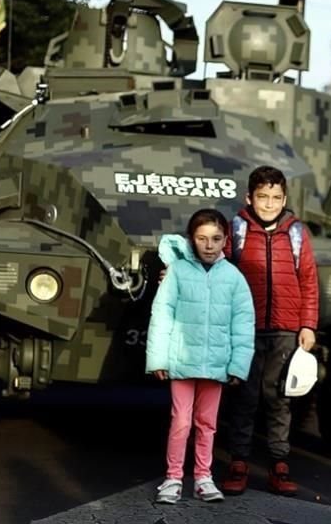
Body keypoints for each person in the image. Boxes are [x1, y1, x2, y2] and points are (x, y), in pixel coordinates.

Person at [221, 165, 319, 497]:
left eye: (276, 198)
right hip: (245, 329)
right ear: (250, 198)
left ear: (285, 198)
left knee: (279, 399)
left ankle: (279, 463)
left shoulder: (296, 233)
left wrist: (307, 325)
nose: (269, 204)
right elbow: (219, 273)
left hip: (286, 330)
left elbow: (308, 279)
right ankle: (238, 463)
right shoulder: (235, 230)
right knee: (243, 399)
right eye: (262, 197)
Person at [147, 208, 256, 504]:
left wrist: (238, 365)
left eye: (216, 238)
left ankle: (203, 477)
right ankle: (173, 478)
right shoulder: (178, 272)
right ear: (192, 240)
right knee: (181, 420)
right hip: (181, 361)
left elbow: (243, 324)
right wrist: (158, 358)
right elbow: (162, 314)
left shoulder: (234, 278)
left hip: (216, 364)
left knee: (207, 422)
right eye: (202, 238)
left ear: (225, 241)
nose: (209, 245)